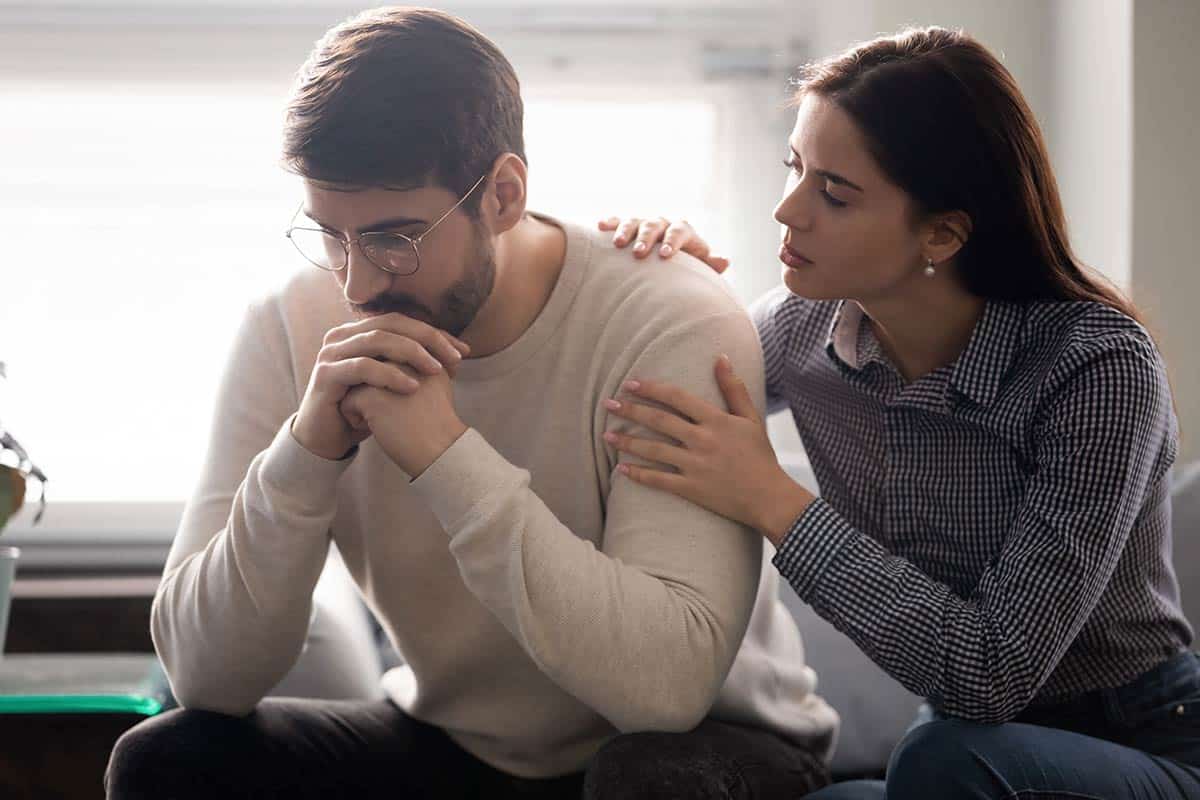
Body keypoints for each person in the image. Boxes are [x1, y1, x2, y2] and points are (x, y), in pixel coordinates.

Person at [103, 6, 838, 799]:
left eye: (394, 237)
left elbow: (663, 691)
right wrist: (306, 454)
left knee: (650, 781)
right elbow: (205, 676)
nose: (357, 284)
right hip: (459, 745)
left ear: (504, 194)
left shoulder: (668, 317)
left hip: (703, 744)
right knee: (166, 759)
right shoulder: (291, 323)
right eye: (329, 235)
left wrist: (446, 458)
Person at [602, 25, 1200, 799]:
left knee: (940, 762)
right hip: (957, 744)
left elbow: (991, 677)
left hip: (1136, 736)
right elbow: (655, 389)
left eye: (834, 193)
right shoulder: (802, 327)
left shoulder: (1097, 367)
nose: (787, 211)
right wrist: (669, 284)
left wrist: (771, 499)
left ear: (943, 233)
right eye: (796, 168)